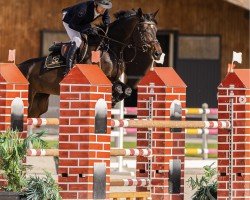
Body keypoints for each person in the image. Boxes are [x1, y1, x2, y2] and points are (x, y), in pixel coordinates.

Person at [62, 0, 112, 75]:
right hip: (69, 20)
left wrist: (107, 27)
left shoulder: (104, 8)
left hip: (83, 20)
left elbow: (106, 18)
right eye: (102, 7)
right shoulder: (83, 10)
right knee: (77, 40)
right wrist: (86, 30)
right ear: (95, 4)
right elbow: (72, 25)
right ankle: (68, 69)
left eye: (105, 8)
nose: (103, 10)